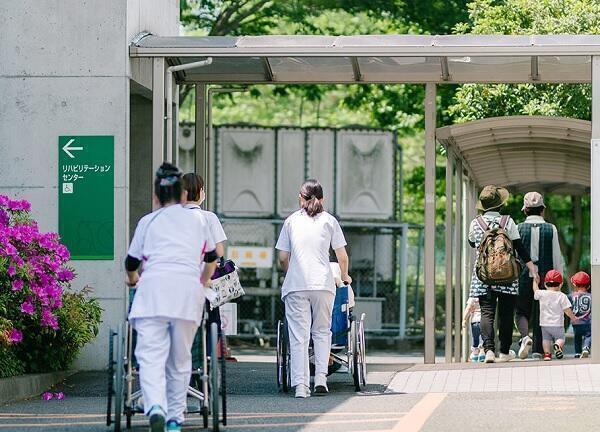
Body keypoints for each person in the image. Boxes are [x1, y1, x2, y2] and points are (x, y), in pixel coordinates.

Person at [125, 162, 218, 432]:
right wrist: (201, 281)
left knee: (151, 356)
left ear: (156, 196)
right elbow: (211, 257)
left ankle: (155, 406)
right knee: (180, 359)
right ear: (182, 194)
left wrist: (133, 281)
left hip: (152, 292)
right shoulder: (199, 220)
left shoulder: (148, 221)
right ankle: (175, 418)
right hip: (187, 293)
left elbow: (131, 263)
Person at [276, 179, 351, 398]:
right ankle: (321, 379)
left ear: (301, 197)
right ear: (322, 199)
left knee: (299, 336)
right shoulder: (329, 221)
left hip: (297, 286)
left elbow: (282, 257)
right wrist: (345, 277)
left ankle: (301, 386)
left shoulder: (291, 221)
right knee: (321, 332)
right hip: (323, 285)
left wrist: (291, 271)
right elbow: (342, 256)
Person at [468, 185, 538, 364]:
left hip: (483, 276)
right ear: (500, 205)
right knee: (506, 314)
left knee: (487, 313)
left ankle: (489, 350)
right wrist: (531, 267)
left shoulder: (475, 223)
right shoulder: (508, 222)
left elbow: (472, 243)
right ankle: (505, 352)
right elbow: (519, 247)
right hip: (508, 275)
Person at [516, 191, 563, 360]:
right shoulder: (551, 228)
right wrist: (559, 278)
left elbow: (515, 255)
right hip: (546, 277)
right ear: (542, 209)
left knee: (521, 311)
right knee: (542, 313)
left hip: (521, 275)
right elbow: (556, 256)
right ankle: (538, 350)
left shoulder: (518, 228)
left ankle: (524, 337)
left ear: (525, 210)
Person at [533, 270, 578, 361]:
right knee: (560, 338)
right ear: (560, 284)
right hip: (558, 324)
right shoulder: (562, 296)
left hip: (544, 324)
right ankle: (557, 345)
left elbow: (535, 290)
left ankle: (547, 355)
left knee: (546, 339)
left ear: (545, 284)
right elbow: (567, 310)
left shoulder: (542, 293)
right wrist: (573, 318)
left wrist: (535, 281)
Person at [569, 271, 592, 358]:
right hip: (588, 322)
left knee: (577, 337)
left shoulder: (571, 296)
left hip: (576, 323)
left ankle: (578, 352)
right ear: (588, 286)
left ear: (574, 285)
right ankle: (586, 348)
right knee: (589, 335)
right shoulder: (591, 296)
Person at [462, 297, 485, 362]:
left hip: (474, 321)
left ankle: (475, 355)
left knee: (475, 337)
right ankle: (482, 354)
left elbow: (468, 309)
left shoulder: (472, 298)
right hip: (484, 320)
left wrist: (464, 320)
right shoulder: (485, 296)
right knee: (483, 337)